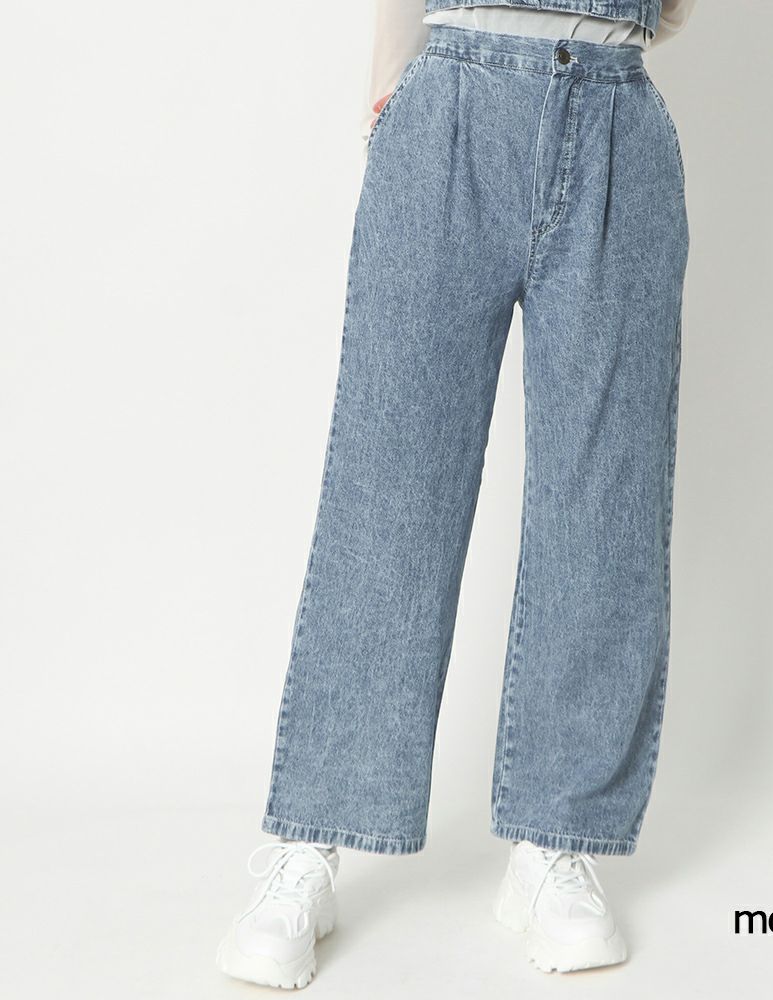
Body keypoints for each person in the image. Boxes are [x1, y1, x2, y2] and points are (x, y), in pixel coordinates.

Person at [216, 0, 695, 988]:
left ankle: (556, 843)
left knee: (605, 505)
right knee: (390, 495)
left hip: (617, 106)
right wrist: (389, 102)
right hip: (448, 102)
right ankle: (312, 839)